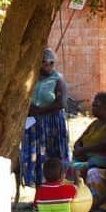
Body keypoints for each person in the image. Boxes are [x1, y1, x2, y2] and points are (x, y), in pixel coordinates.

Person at [20, 48, 69, 189]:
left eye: (51, 63)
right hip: (34, 124)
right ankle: (39, 190)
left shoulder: (58, 79)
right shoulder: (31, 78)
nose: (48, 66)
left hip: (52, 123)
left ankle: (55, 188)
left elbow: (62, 103)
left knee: (52, 155)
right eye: (44, 62)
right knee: (34, 157)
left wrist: (41, 110)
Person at [71, 92, 106, 197]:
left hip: (103, 159)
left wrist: (84, 150)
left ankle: (90, 197)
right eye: (93, 105)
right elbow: (79, 140)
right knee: (69, 166)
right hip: (85, 156)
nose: (93, 108)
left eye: (96, 106)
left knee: (81, 167)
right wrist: (78, 148)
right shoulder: (94, 124)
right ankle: (77, 195)